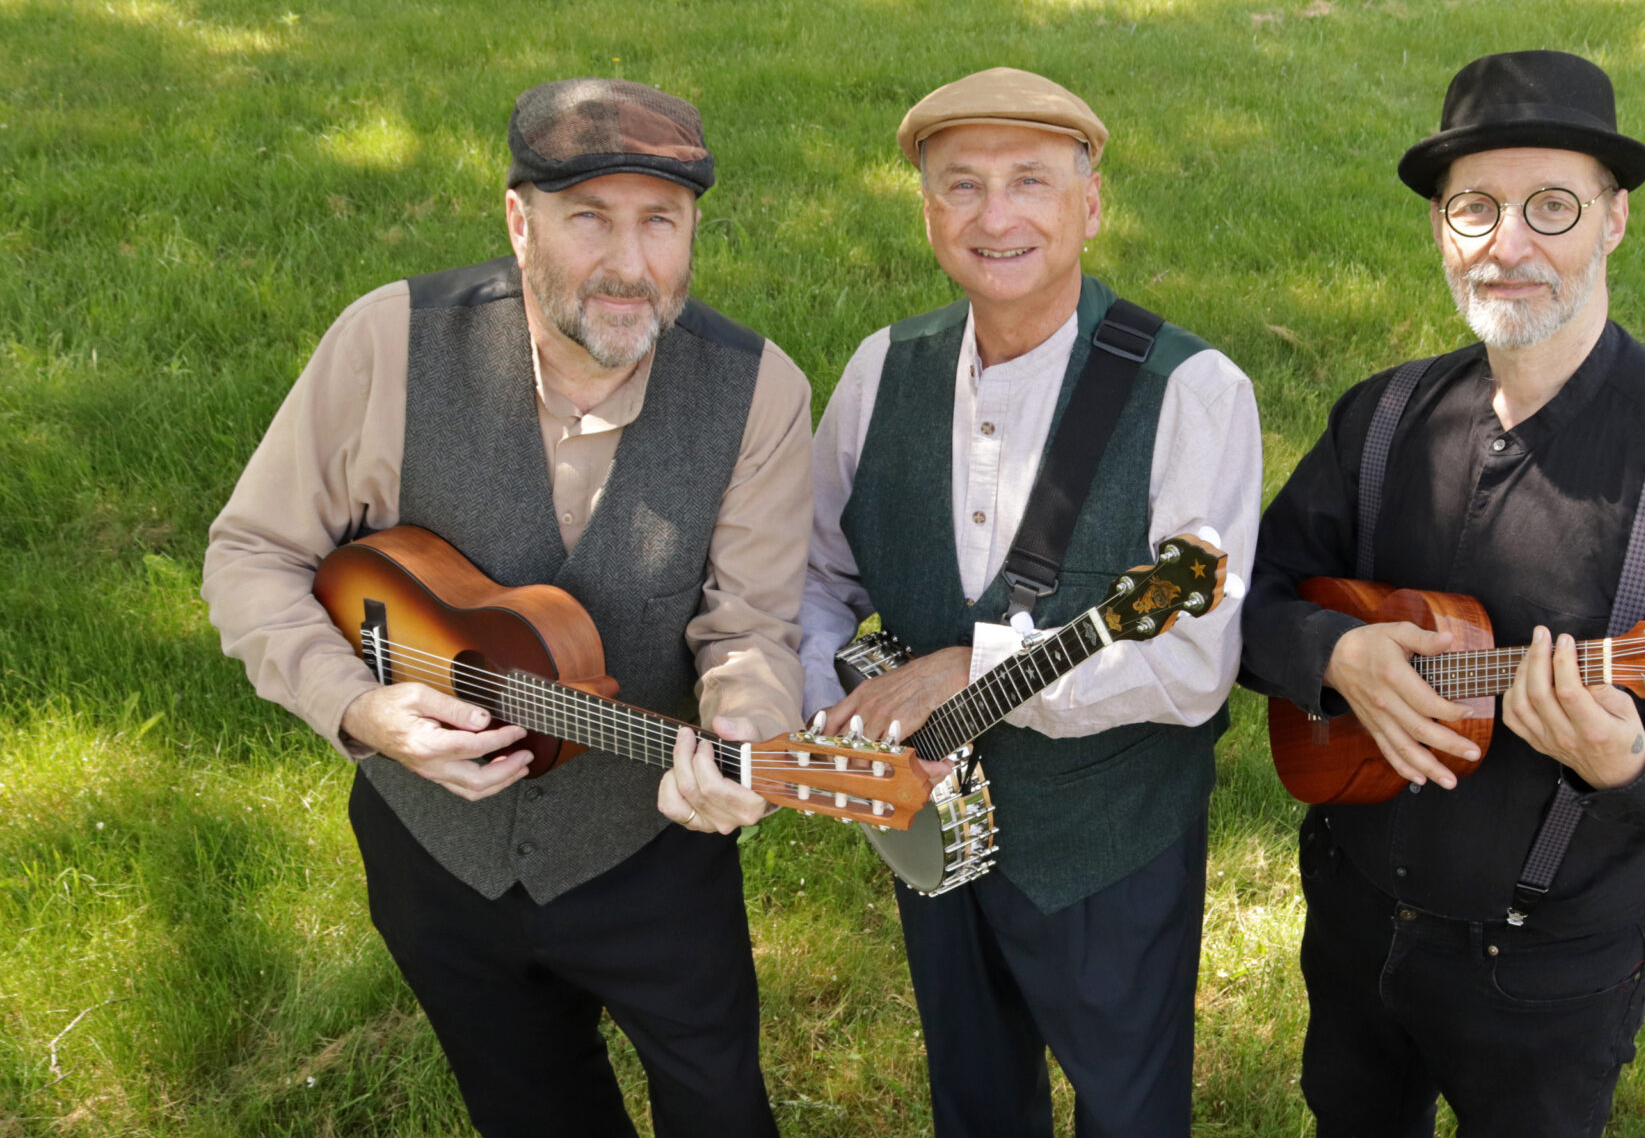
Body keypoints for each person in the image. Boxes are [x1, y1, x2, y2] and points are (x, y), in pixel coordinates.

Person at [202, 78, 808, 1138]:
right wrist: (357, 705)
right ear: (520, 222)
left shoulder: (758, 391)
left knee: (721, 1107)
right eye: (590, 218)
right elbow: (252, 553)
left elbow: (749, 626)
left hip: (647, 853)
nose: (630, 264)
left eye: (660, 221)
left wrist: (747, 731)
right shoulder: (388, 343)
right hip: (432, 854)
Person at [1238, 50, 1645, 1136]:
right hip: (1352, 916)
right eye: (1475, 209)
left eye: (1552, 206)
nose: (1508, 246)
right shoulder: (1382, 419)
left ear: (1614, 220)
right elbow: (1249, 595)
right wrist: (1335, 652)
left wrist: (1628, 762)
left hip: (1546, 968)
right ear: (1439, 230)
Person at [798, 68, 1261, 1138]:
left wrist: (977, 667)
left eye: (1030, 181)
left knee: (1129, 1113)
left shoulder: (1193, 392)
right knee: (971, 1100)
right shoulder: (879, 371)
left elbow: (1195, 666)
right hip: (926, 817)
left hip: (1109, 842)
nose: (994, 216)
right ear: (927, 212)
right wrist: (837, 717)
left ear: (1089, 205)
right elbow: (816, 578)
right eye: (961, 185)